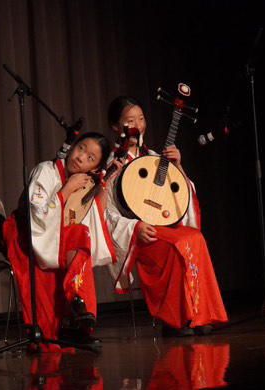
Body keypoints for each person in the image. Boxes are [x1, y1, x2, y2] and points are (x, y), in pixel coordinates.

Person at [105, 96, 228, 337]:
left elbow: (182, 195)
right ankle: (175, 319)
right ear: (115, 127)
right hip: (139, 232)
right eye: (130, 120)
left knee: (195, 238)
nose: (137, 125)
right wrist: (134, 227)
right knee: (178, 244)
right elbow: (105, 212)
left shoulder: (153, 156)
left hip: (162, 222)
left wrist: (178, 166)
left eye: (141, 119)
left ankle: (201, 314)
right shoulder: (113, 164)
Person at [2, 132, 117, 351]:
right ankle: (74, 317)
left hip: (57, 239)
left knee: (81, 234)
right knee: (46, 334)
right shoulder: (46, 170)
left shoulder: (85, 183)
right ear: (73, 146)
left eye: (91, 158)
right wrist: (66, 189)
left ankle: (79, 314)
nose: (82, 157)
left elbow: (94, 215)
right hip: (26, 234)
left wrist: (105, 183)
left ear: (94, 169)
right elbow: (37, 213)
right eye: (81, 148)